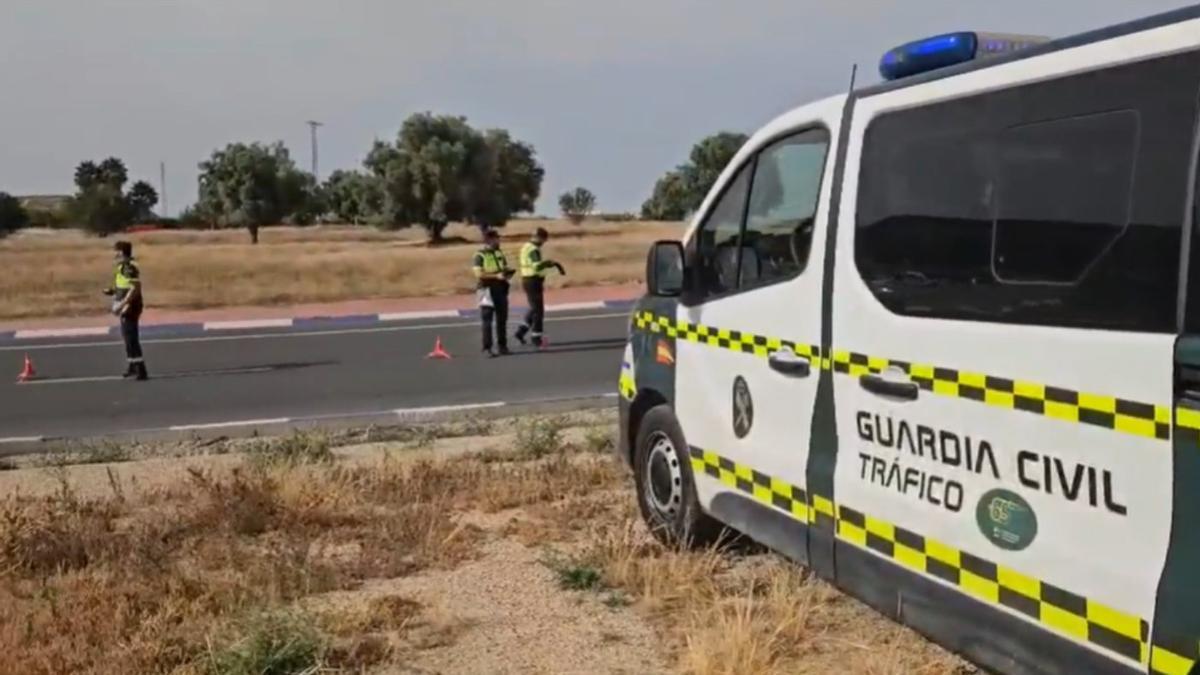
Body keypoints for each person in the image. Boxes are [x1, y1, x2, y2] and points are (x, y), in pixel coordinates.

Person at [103, 240, 148, 380]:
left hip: (130, 306)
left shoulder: (128, 267)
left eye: (117, 251)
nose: (115, 254)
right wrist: (113, 291)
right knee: (127, 337)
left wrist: (122, 304)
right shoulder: (121, 267)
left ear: (122, 252)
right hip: (126, 305)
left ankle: (141, 369)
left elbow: (135, 288)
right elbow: (124, 285)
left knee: (131, 337)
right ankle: (132, 365)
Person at [515, 227, 565, 347]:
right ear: (539, 238)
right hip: (533, 281)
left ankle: (521, 331)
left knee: (534, 308)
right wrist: (548, 263)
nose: (543, 243)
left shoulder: (526, 247)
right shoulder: (533, 250)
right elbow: (536, 266)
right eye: (543, 240)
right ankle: (536, 337)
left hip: (528, 280)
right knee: (538, 311)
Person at [472, 229, 515, 357]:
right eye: (497, 238)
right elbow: (479, 274)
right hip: (486, 290)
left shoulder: (499, 253)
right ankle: (487, 347)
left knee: (502, 318)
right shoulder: (479, 255)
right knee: (487, 319)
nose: (499, 241)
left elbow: (503, 267)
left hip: (500, 289)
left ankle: (502, 346)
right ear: (490, 240)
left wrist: (507, 273)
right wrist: (496, 276)